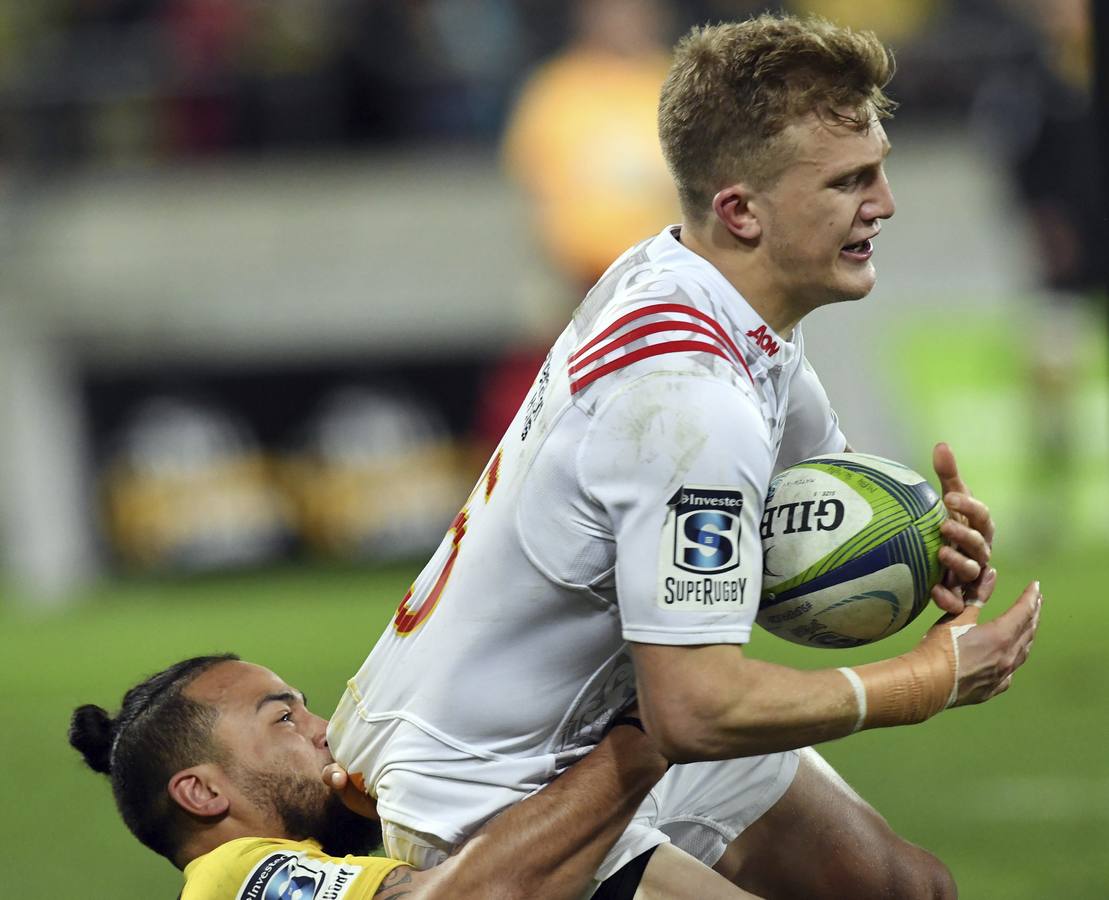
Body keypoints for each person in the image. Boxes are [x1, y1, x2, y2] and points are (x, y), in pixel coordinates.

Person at [327, 14, 1044, 898]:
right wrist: (921, 679)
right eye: (849, 181)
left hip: (595, 733)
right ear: (740, 209)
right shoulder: (688, 401)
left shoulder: (693, 286)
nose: (884, 203)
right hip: (483, 794)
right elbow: (698, 708)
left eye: (880, 167)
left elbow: (819, 509)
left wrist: (921, 542)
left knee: (907, 889)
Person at [68, 654, 753, 899]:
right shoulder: (230, 880)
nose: (325, 729)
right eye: (283, 720)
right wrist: (642, 740)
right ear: (202, 792)